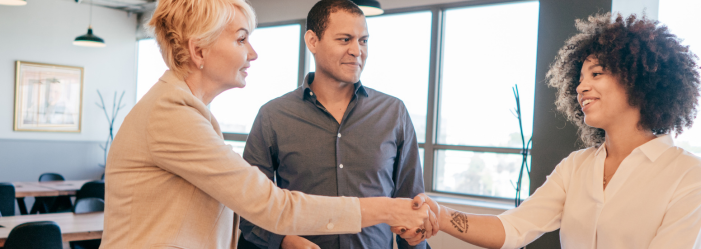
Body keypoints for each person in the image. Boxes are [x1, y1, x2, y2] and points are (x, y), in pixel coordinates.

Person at [100, 0, 436, 247]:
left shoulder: (187, 111)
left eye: (363, 41)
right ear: (199, 52)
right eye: (241, 39)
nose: (253, 53)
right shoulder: (171, 114)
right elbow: (268, 205)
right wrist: (385, 210)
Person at [396, 12, 701, 249]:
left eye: (596, 74)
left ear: (639, 80)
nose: (582, 87)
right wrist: (438, 213)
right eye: (579, 78)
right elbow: (512, 228)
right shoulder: (575, 167)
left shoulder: (688, 175)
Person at [238, 1, 431, 249]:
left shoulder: (394, 113)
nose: (357, 51)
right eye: (344, 39)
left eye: (363, 41)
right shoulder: (273, 116)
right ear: (312, 41)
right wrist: (284, 240)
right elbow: (250, 211)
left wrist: (417, 234)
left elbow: (412, 209)